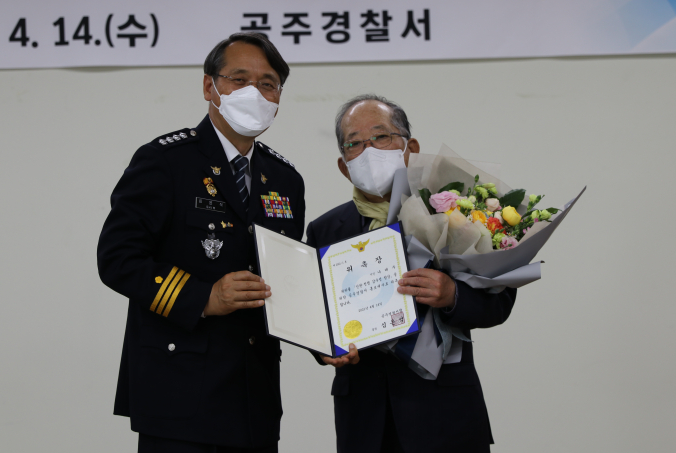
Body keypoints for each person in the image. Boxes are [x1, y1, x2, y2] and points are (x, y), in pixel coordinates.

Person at [97, 33, 305, 453]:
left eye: (268, 84)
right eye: (239, 79)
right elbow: (117, 258)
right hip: (178, 389)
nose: (255, 92)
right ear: (210, 87)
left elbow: (284, 279)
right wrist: (203, 297)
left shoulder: (285, 178)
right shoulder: (166, 160)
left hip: (255, 395)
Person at [306, 95, 517, 453]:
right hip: (363, 418)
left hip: (445, 412)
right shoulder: (325, 230)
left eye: (381, 136)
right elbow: (316, 316)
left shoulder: (455, 210)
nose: (368, 149)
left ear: (410, 147)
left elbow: (499, 304)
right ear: (344, 165)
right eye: (354, 143)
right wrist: (326, 349)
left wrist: (453, 295)